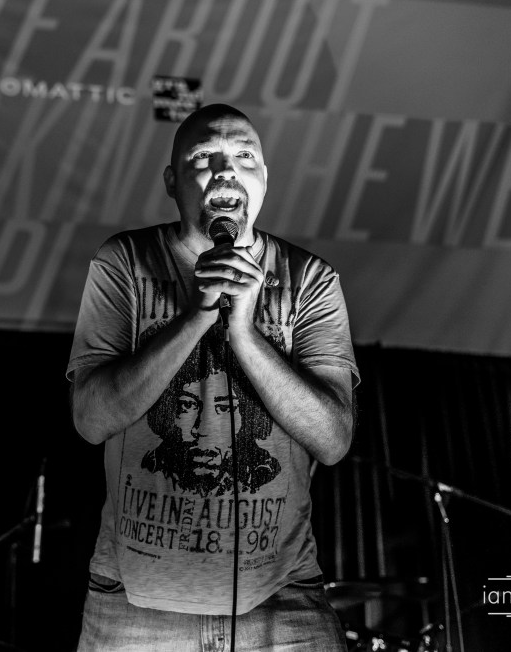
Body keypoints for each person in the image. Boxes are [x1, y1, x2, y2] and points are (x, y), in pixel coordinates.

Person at [67, 103, 359, 650]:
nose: (227, 170)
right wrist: (196, 315)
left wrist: (246, 333)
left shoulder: (310, 279)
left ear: (265, 180)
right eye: (205, 157)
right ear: (173, 182)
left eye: (245, 156)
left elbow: (333, 439)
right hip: (134, 602)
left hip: (282, 595)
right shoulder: (125, 262)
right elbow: (90, 420)